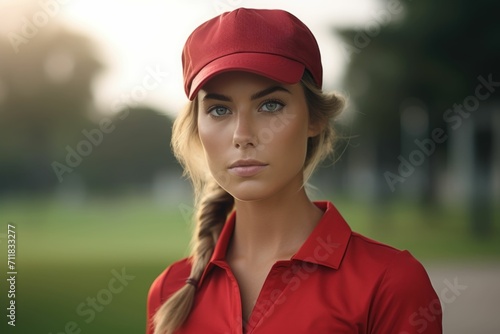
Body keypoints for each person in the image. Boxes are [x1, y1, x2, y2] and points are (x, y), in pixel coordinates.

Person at [147, 8, 442, 334]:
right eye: (219, 109)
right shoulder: (170, 291)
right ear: (197, 128)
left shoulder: (389, 284)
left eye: (270, 105)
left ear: (315, 119)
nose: (242, 135)